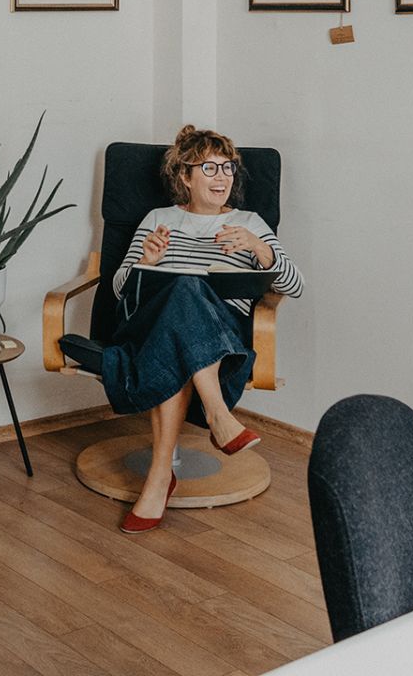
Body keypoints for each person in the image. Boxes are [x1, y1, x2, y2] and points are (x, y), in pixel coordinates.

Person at [101, 126, 305, 534]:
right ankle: (218, 415)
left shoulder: (249, 223)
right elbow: (120, 290)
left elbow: (294, 286)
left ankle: (160, 478)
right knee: (183, 287)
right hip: (153, 325)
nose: (221, 176)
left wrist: (259, 248)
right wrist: (146, 262)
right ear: (185, 176)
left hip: (221, 333)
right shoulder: (159, 219)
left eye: (228, 167)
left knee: (186, 301)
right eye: (209, 168)